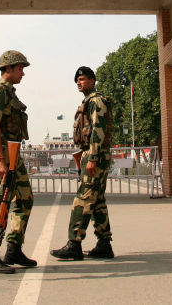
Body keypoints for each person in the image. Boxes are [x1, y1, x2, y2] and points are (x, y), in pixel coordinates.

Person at [0, 50, 36, 274]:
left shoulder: (10, 93)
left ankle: (13, 248)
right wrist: (0, 161)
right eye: (20, 68)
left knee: (25, 199)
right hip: (1, 154)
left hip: (14, 153)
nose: (23, 73)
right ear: (8, 69)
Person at [51, 66, 115, 261]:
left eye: (83, 79)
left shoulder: (96, 101)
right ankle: (104, 244)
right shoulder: (88, 102)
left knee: (84, 197)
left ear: (93, 80)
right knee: (97, 200)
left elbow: (98, 129)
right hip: (91, 153)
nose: (79, 82)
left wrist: (93, 157)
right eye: (77, 80)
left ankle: (74, 244)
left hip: (95, 154)